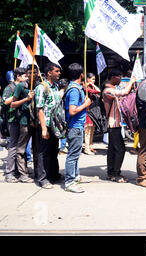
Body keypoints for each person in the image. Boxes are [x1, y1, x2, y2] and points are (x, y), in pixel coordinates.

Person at [102, 68, 136, 183]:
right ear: (112, 78)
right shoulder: (108, 90)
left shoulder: (112, 89)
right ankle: (115, 174)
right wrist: (131, 82)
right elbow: (123, 93)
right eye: (119, 77)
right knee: (120, 149)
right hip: (113, 124)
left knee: (112, 149)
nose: (121, 80)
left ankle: (111, 172)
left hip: (116, 124)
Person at [64, 63, 92, 193]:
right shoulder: (74, 90)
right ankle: (70, 182)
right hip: (75, 126)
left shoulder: (75, 88)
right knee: (73, 155)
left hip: (77, 126)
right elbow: (72, 111)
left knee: (76, 154)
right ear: (81, 75)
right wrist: (85, 104)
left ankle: (75, 176)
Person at [34, 62, 62, 189]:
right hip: (45, 124)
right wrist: (44, 128)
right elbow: (39, 109)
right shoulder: (41, 87)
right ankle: (43, 178)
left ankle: (53, 174)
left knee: (53, 151)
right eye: (56, 71)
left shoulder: (55, 86)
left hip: (54, 125)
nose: (59, 73)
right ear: (49, 73)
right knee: (43, 152)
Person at [2, 67, 32, 183]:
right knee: (13, 146)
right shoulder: (10, 88)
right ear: (18, 76)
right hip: (13, 119)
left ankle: (19, 171)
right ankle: (9, 173)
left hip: (21, 120)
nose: (27, 77)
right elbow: (4, 102)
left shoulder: (25, 86)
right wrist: (18, 96)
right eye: (24, 75)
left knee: (21, 147)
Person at [84, 73, 101, 155]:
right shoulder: (85, 87)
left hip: (93, 111)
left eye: (94, 79)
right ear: (88, 79)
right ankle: (86, 148)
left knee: (92, 129)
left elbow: (98, 93)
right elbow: (98, 91)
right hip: (87, 111)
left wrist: (92, 85)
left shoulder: (91, 87)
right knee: (87, 130)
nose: (94, 81)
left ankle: (90, 145)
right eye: (92, 79)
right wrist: (90, 84)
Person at [57, 78, 69, 154]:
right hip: (62, 113)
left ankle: (62, 146)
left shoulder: (58, 92)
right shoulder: (61, 93)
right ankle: (63, 147)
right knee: (64, 130)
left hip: (62, 113)